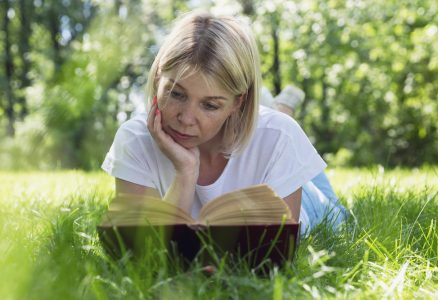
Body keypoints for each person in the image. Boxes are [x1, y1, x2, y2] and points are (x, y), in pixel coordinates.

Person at [102, 11, 345, 236]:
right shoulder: (134, 140)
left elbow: (278, 252)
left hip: (312, 202)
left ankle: (282, 108)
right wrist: (185, 172)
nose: (186, 119)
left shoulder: (280, 136)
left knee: (284, 131)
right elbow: (147, 251)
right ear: (157, 79)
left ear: (237, 103)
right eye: (176, 93)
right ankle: (274, 105)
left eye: (210, 105)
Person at [261, 85, 348, 232]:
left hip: (294, 202)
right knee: (337, 209)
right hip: (281, 188)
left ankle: (281, 118)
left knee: (340, 214)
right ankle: (280, 116)